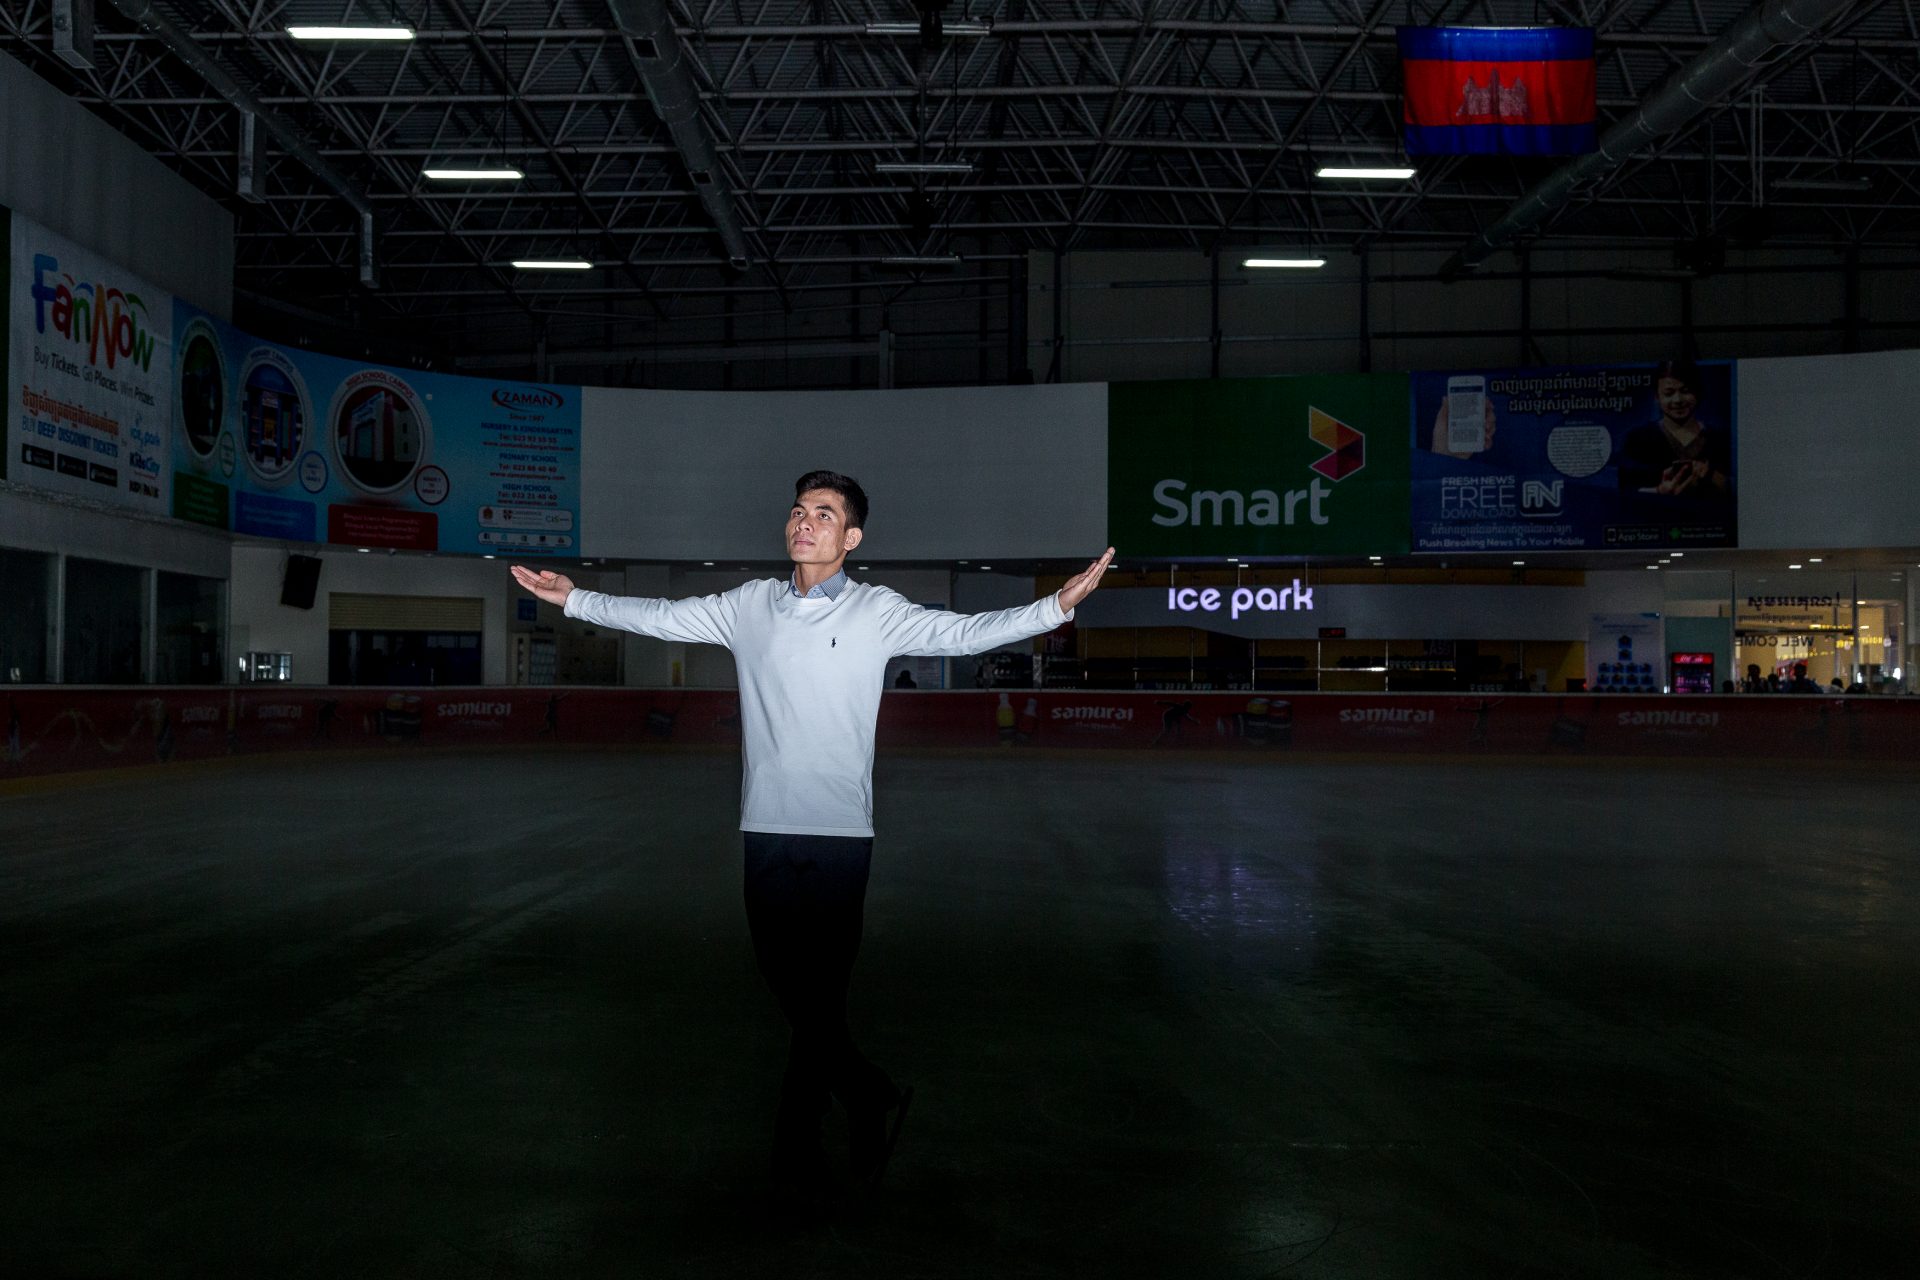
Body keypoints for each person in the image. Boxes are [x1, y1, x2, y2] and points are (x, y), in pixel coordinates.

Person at [510, 471, 1115, 1207]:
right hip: (764, 825)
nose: (804, 521)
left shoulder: (877, 612)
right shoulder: (748, 606)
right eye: (799, 510)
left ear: (850, 538)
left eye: (824, 514)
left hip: (839, 835)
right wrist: (574, 598)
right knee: (794, 990)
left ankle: (795, 1148)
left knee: (819, 995)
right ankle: (867, 1095)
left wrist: (1054, 606)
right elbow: (661, 617)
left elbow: (960, 633)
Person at [1617, 361, 1732, 500]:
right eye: (1669, 393)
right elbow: (1625, 491)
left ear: (1698, 393)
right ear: (1657, 397)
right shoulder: (1636, 440)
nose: (1677, 400)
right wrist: (1658, 491)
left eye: (1685, 391)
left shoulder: (1722, 439)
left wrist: (1712, 475)